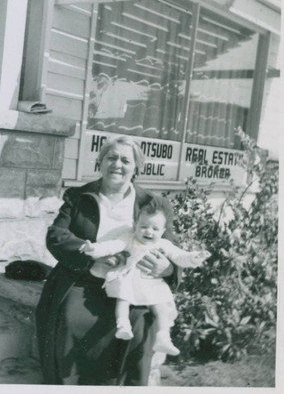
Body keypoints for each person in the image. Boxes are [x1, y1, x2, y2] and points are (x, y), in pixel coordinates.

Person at [35, 135, 182, 386]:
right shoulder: (79, 196)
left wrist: (167, 268)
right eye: (111, 157)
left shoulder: (152, 203)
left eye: (126, 160)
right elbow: (56, 236)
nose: (117, 164)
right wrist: (91, 259)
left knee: (141, 324)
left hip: (134, 284)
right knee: (70, 318)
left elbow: (171, 247)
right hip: (84, 278)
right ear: (100, 162)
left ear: (136, 168)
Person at [80, 200, 210, 356]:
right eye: (144, 227)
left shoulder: (164, 244)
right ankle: (123, 325)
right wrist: (93, 249)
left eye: (155, 229)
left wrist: (195, 257)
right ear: (135, 226)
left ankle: (163, 337)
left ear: (162, 231)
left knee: (161, 307)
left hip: (151, 281)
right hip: (130, 277)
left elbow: (179, 256)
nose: (149, 232)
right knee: (123, 298)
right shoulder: (129, 239)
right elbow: (111, 246)